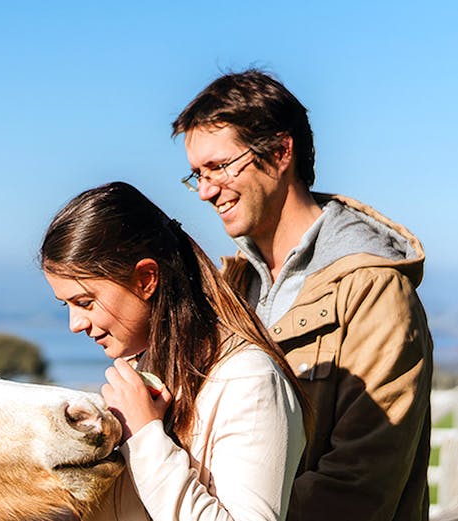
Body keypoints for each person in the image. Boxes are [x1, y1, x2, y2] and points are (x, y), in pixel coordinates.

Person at [172, 69, 433, 521]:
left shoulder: (374, 289)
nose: (206, 191)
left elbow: (361, 483)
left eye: (218, 167)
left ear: (279, 151)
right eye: (197, 174)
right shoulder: (228, 288)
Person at [40, 181, 308, 520]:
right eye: (66, 305)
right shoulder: (142, 376)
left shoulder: (250, 381)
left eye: (85, 302)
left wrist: (146, 437)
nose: (74, 323)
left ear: (146, 279)